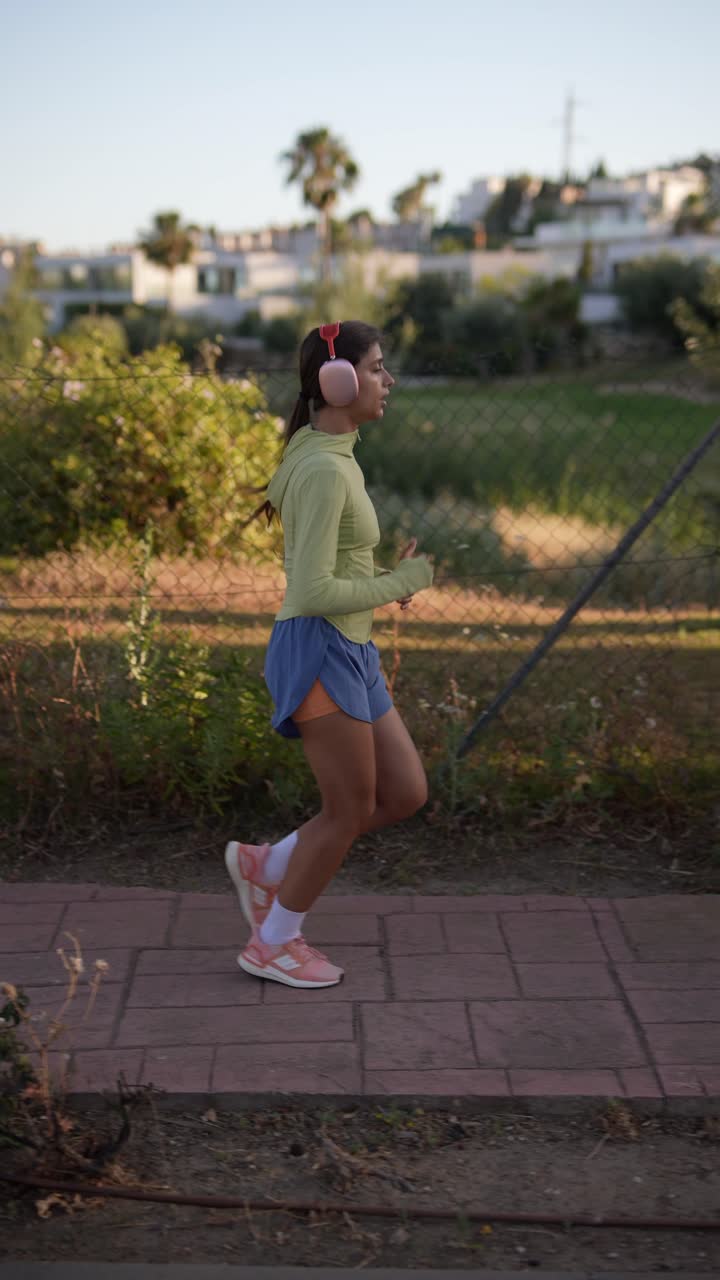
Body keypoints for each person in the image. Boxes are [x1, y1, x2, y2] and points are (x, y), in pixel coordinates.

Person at [225, 321, 434, 989]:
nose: (387, 380)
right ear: (339, 382)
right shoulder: (321, 468)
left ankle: (268, 865)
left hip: (351, 645)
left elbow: (336, 567)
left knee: (404, 792)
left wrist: (383, 579)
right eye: (376, 368)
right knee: (346, 811)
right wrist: (399, 583)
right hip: (319, 649)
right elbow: (313, 590)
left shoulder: (332, 451)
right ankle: (274, 943)